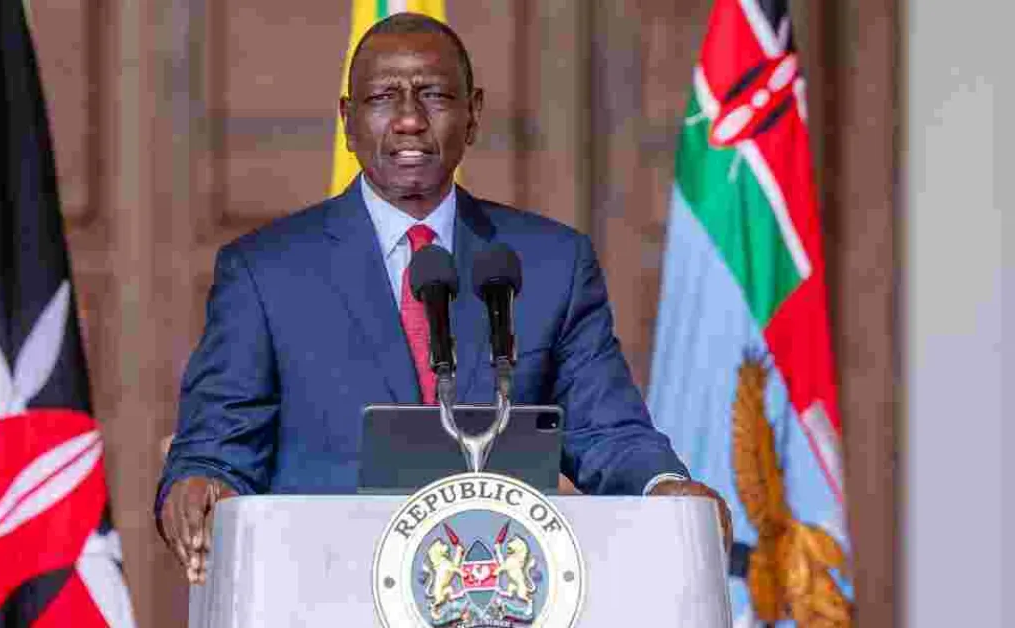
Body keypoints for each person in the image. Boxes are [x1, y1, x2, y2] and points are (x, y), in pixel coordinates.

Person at [156, 12, 732, 584]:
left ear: (473, 114)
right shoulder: (265, 272)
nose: (409, 119)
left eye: (433, 95)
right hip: (322, 590)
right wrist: (197, 485)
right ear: (348, 121)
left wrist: (665, 487)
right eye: (383, 97)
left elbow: (607, 430)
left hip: (495, 594)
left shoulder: (551, 265)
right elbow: (218, 444)